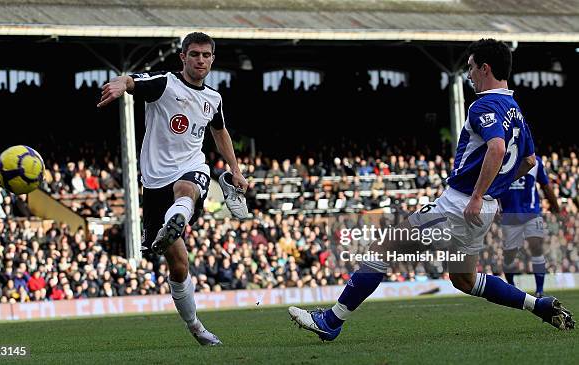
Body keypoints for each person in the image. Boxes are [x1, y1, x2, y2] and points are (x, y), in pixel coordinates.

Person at [288, 38, 575, 341]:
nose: (468, 75)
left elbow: (497, 147)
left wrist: (478, 195)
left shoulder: (485, 104)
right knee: (464, 280)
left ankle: (332, 321)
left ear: (485, 68)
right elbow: (529, 160)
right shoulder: (515, 109)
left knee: (384, 248)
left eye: (471, 68)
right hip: (481, 208)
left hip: (459, 206)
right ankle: (539, 305)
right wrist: (492, 192)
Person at [97, 32, 248, 346]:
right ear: (183, 57)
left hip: (191, 167)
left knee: (186, 187)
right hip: (154, 182)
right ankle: (195, 326)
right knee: (179, 266)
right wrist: (119, 83)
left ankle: (178, 217)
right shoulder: (165, 84)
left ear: (213, 59)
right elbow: (133, 80)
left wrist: (234, 169)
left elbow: (220, 132)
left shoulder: (213, 99)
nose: (200, 60)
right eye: (194, 54)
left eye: (206, 55)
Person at [499, 155, 560, 297]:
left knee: (536, 247)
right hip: (510, 214)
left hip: (531, 213)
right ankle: (511, 287)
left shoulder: (536, 161)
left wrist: (556, 208)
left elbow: (545, 185)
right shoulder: (502, 159)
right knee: (510, 254)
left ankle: (539, 290)